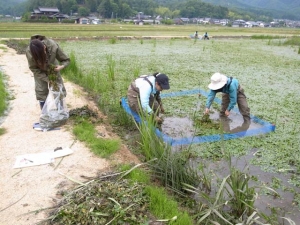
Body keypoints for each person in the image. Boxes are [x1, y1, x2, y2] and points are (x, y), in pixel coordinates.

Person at [26, 34, 70, 109]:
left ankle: (60, 111)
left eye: (44, 53)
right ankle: (45, 114)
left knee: (58, 90)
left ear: (44, 47)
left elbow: (66, 60)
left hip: (53, 70)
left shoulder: (53, 45)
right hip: (40, 71)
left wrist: (61, 66)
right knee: (41, 91)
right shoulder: (30, 51)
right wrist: (47, 79)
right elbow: (33, 68)